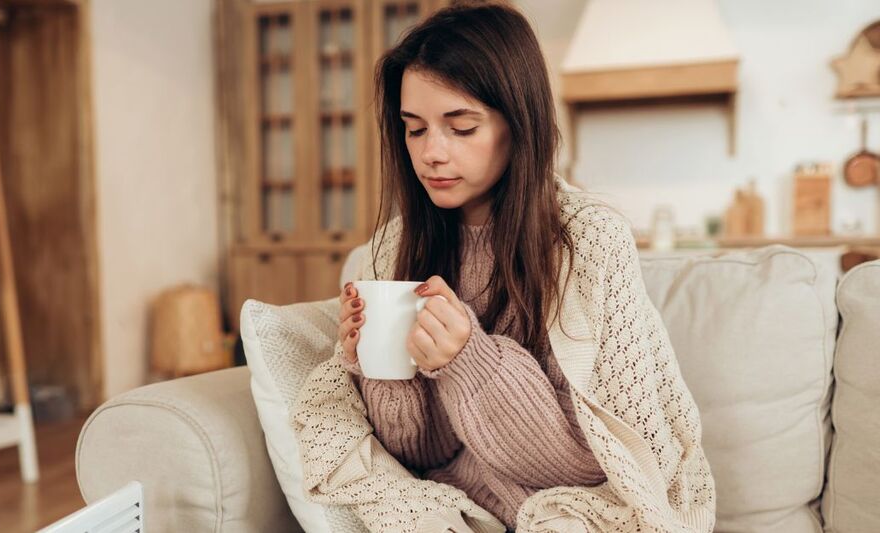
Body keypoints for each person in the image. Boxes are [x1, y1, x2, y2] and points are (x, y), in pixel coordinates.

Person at [291, 3, 716, 532]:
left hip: (570, 504)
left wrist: (469, 359)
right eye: (414, 129)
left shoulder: (587, 240)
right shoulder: (395, 243)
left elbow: (589, 464)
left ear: (518, 124)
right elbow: (425, 455)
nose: (431, 154)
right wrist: (380, 371)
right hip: (451, 505)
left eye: (460, 128)